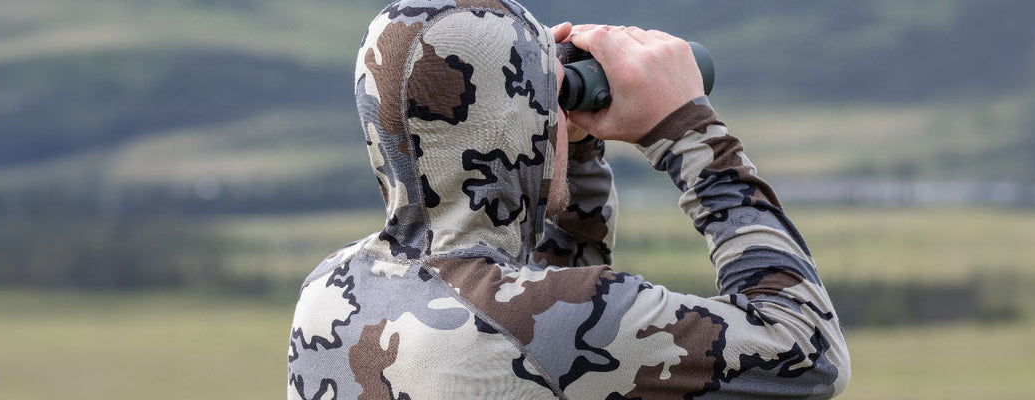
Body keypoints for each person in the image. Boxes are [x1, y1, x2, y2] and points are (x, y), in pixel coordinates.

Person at [287, 0, 850, 398]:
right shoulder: (535, 317)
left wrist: (571, 153)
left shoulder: (329, 291)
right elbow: (806, 350)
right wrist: (689, 130)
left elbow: (548, 327)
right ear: (518, 126)